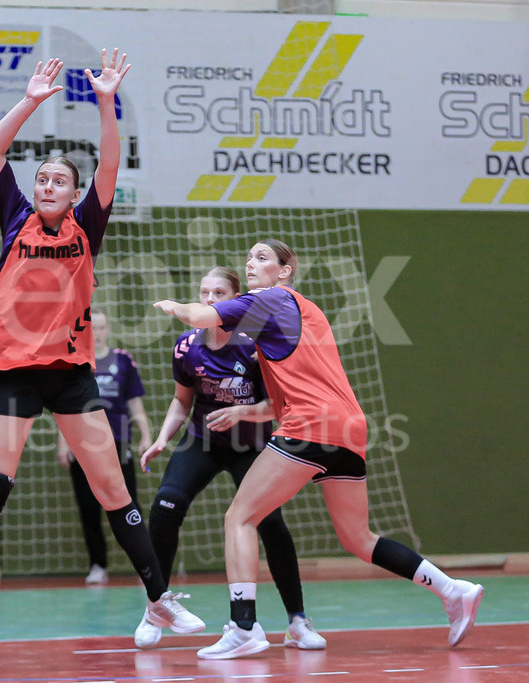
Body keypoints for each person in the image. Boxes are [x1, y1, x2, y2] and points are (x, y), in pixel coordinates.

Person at [0, 51, 204, 668]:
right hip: (16, 377)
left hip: (72, 375)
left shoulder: (87, 227)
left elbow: (111, 160)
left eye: (60, 181)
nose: (49, 186)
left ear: (77, 194)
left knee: (113, 489)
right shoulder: (14, 220)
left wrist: (107, 101)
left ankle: (158, 597)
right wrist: (30, 100)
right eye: (44, 180)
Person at [154, 239, 484, 659]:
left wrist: (174, 305)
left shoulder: (267, 300)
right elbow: (276, 401)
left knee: (240, 517)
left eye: (262, 258)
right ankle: (454, 590)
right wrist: (241, 412)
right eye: (250, 257)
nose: (251, 263)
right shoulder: (298, 315)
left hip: (310, 426)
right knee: (357, 538)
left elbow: (201, 316)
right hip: (348, 428)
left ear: (285, 270)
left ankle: (243, 628)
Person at [135, 266, 324, 651]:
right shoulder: (187, 346)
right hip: (203, 442)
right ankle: (156, 606)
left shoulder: (255, 345)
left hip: (251, 447)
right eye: (204, 292)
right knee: (165, 507)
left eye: (218, 293)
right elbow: (181, 401)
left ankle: (298, 621)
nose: (208, 300)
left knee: (270, 524)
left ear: (235, 300)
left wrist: (242, 413)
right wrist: (160, 438)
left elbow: (279, 404)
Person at [54, 310, 150, 585]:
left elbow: (134, 402)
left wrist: (145, 435)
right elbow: (64, 407)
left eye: (102, 327)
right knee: (88, 507)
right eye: (92, 328)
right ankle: (98, 564)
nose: (97, 332)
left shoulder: (123, 360)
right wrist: (64, 443)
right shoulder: (75, 362)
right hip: (82, 443)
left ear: (108, 329)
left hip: (118, 443)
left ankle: (144, 566)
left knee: (127, 503)